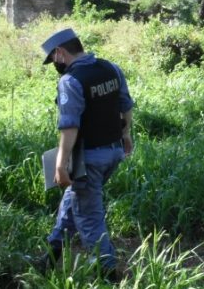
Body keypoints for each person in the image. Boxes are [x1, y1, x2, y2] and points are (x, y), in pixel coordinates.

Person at [38, 28, 133, 279]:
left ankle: (109, 276)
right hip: (113, 153)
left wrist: (60, 165)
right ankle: (50, 257)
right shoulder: (110, 68)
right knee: (73, 200)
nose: (55, 65)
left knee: (89, 219)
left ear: (60, 53)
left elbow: (70, 126)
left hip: (87, 159)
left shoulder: (71, 80)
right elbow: (125, 105)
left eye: (53, 59)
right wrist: (126, 136)